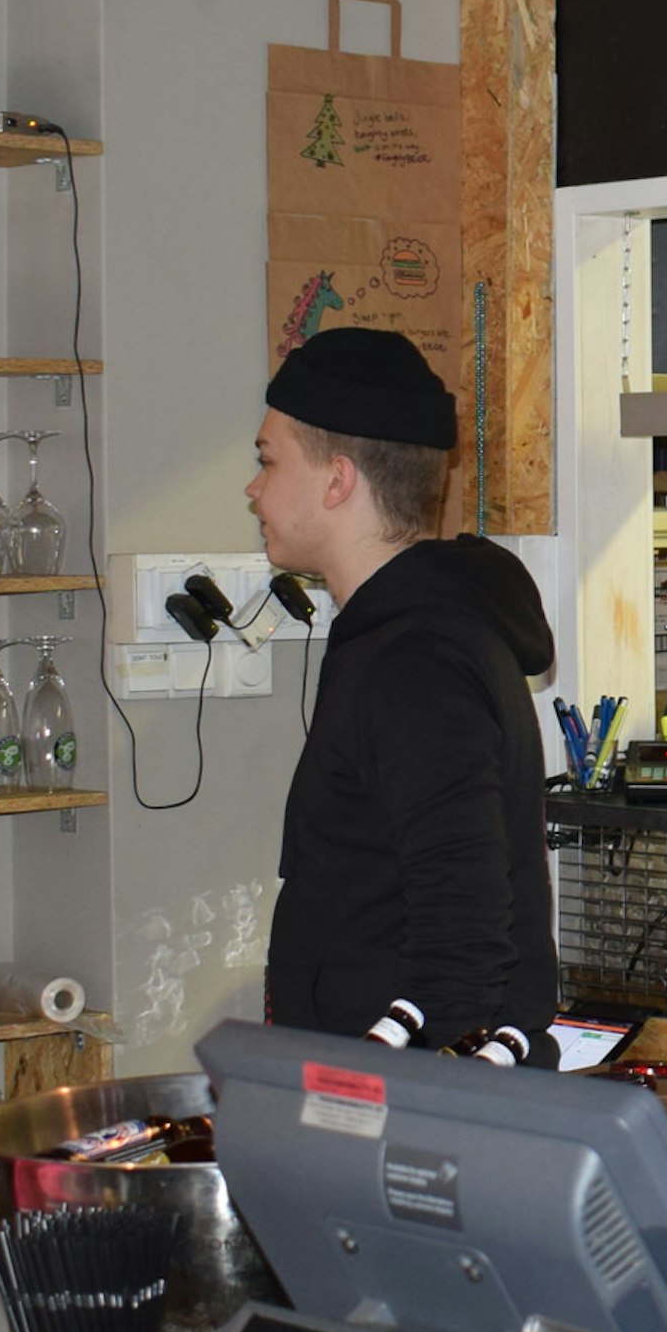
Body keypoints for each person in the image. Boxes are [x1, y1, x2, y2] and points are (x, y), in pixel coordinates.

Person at [247, 328, 558, 1045]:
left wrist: (367, 1085)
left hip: (403, 1120)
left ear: (338, 479)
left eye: (268, 461)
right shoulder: (398, 637)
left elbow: (463, 928)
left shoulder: (418, 659)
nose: (254, 487)